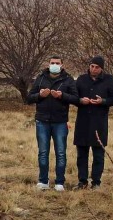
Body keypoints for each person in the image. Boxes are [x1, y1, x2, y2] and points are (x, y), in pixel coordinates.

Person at [26, 56, 78, 191]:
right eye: (52, 63)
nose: (54, 65)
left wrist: (62, 96)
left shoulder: (68, 79)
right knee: (43, 152)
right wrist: (40, 95)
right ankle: (43, 180)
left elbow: (76, 99)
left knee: (60, 152)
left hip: (60, 122)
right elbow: (29, 98)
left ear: (62, 65)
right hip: (42, 121)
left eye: (57, 63)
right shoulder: (41, 78)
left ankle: (59, 181)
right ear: (48, 64)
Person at [73, 56, 113, 189]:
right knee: (81, 154)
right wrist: (80, 100)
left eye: (97, 67)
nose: (94, 69)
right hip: (82, 121)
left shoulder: (109, 80)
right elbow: (73, 97)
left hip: (99, 122)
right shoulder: (81, 79)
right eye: (92, 66)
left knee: (98, 154)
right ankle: (82, 181)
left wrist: (103, 101)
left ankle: (96, 182)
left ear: (102, 68)